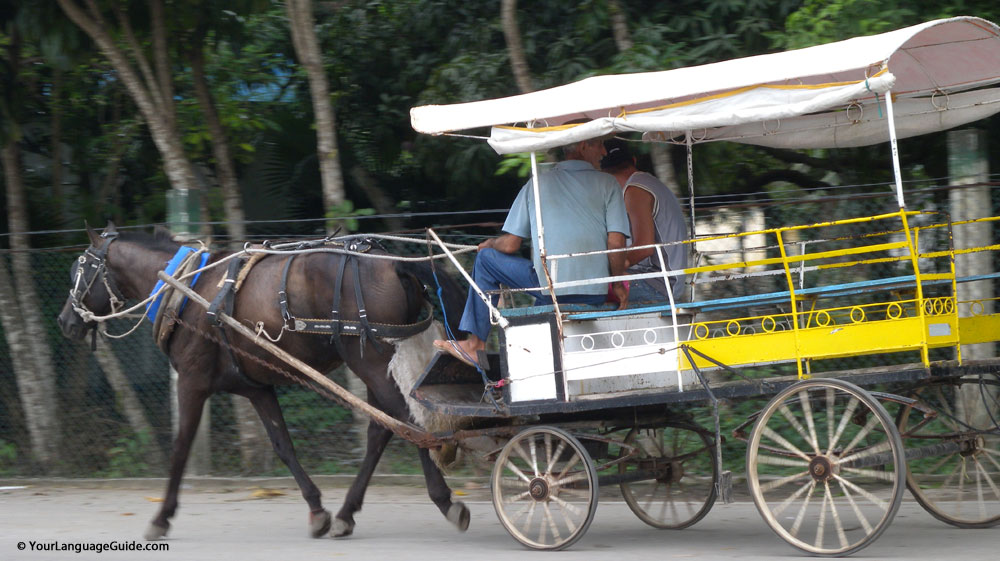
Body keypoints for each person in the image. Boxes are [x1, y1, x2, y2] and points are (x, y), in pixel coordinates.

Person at [433, 136, 630, 368]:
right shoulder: (609, 184)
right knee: (541, 286)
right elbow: (616, 243)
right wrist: (617, 285)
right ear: (583, 147)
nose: (605, 152)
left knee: (486, 259)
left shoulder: (537, 184)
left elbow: (510, 245)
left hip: (550, 290)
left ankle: (475, 345)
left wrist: (491, 244)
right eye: (600, 144)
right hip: (593, 293)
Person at [601, 138, 688, 302]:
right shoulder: (647, 182)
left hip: (660, 284)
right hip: (662, 279)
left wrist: (614, 268)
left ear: (602, 174)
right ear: (633, 160)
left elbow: (644, 248)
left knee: (591, 291)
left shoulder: (635, 191)